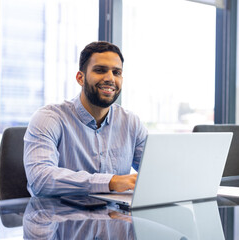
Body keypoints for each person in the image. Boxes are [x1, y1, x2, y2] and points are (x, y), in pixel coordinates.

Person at [23, 41, 148, 197]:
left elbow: (155, 173)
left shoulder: (131, 123)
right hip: (58, 218)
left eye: (116, 72)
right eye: (100, 70)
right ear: (80, 78)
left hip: (114, 217)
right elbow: (40, 180)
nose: (110, 78)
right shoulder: (48, 118)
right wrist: (111, 182)